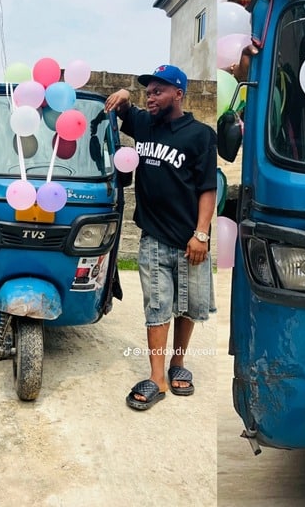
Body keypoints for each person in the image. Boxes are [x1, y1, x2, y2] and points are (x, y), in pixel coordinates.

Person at [104, 64, 218, 411]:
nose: (150, 97)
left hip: (190, 241)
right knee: (157, 306)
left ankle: (177, 363)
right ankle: (157, 377)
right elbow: (125, 108)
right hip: (153, 238)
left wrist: (201, 234)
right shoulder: (145, 124)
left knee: (190, 306)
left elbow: (208, 188)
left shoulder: (201, 135)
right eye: (148, 91)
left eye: (158, 91)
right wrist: (124, 95)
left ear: (179, 94)